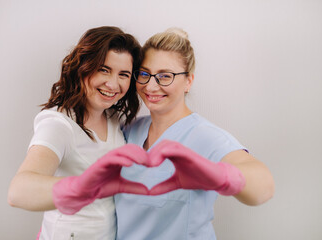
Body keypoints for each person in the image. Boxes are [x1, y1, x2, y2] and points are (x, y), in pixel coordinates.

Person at [114, 28, 275, 239]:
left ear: (188, 81)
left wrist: (214, 173)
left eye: (165, 76)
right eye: (144, 74)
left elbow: (262, 188)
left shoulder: (204, 136)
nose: (151, 86)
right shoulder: (129, 130)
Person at [7, 26, 149, 240]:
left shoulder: (112, 119)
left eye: (124, 74)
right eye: (104, 69)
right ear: (83, 67)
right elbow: (19, 191)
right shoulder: (58, 124)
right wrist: (85, 185)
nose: (113, 84)